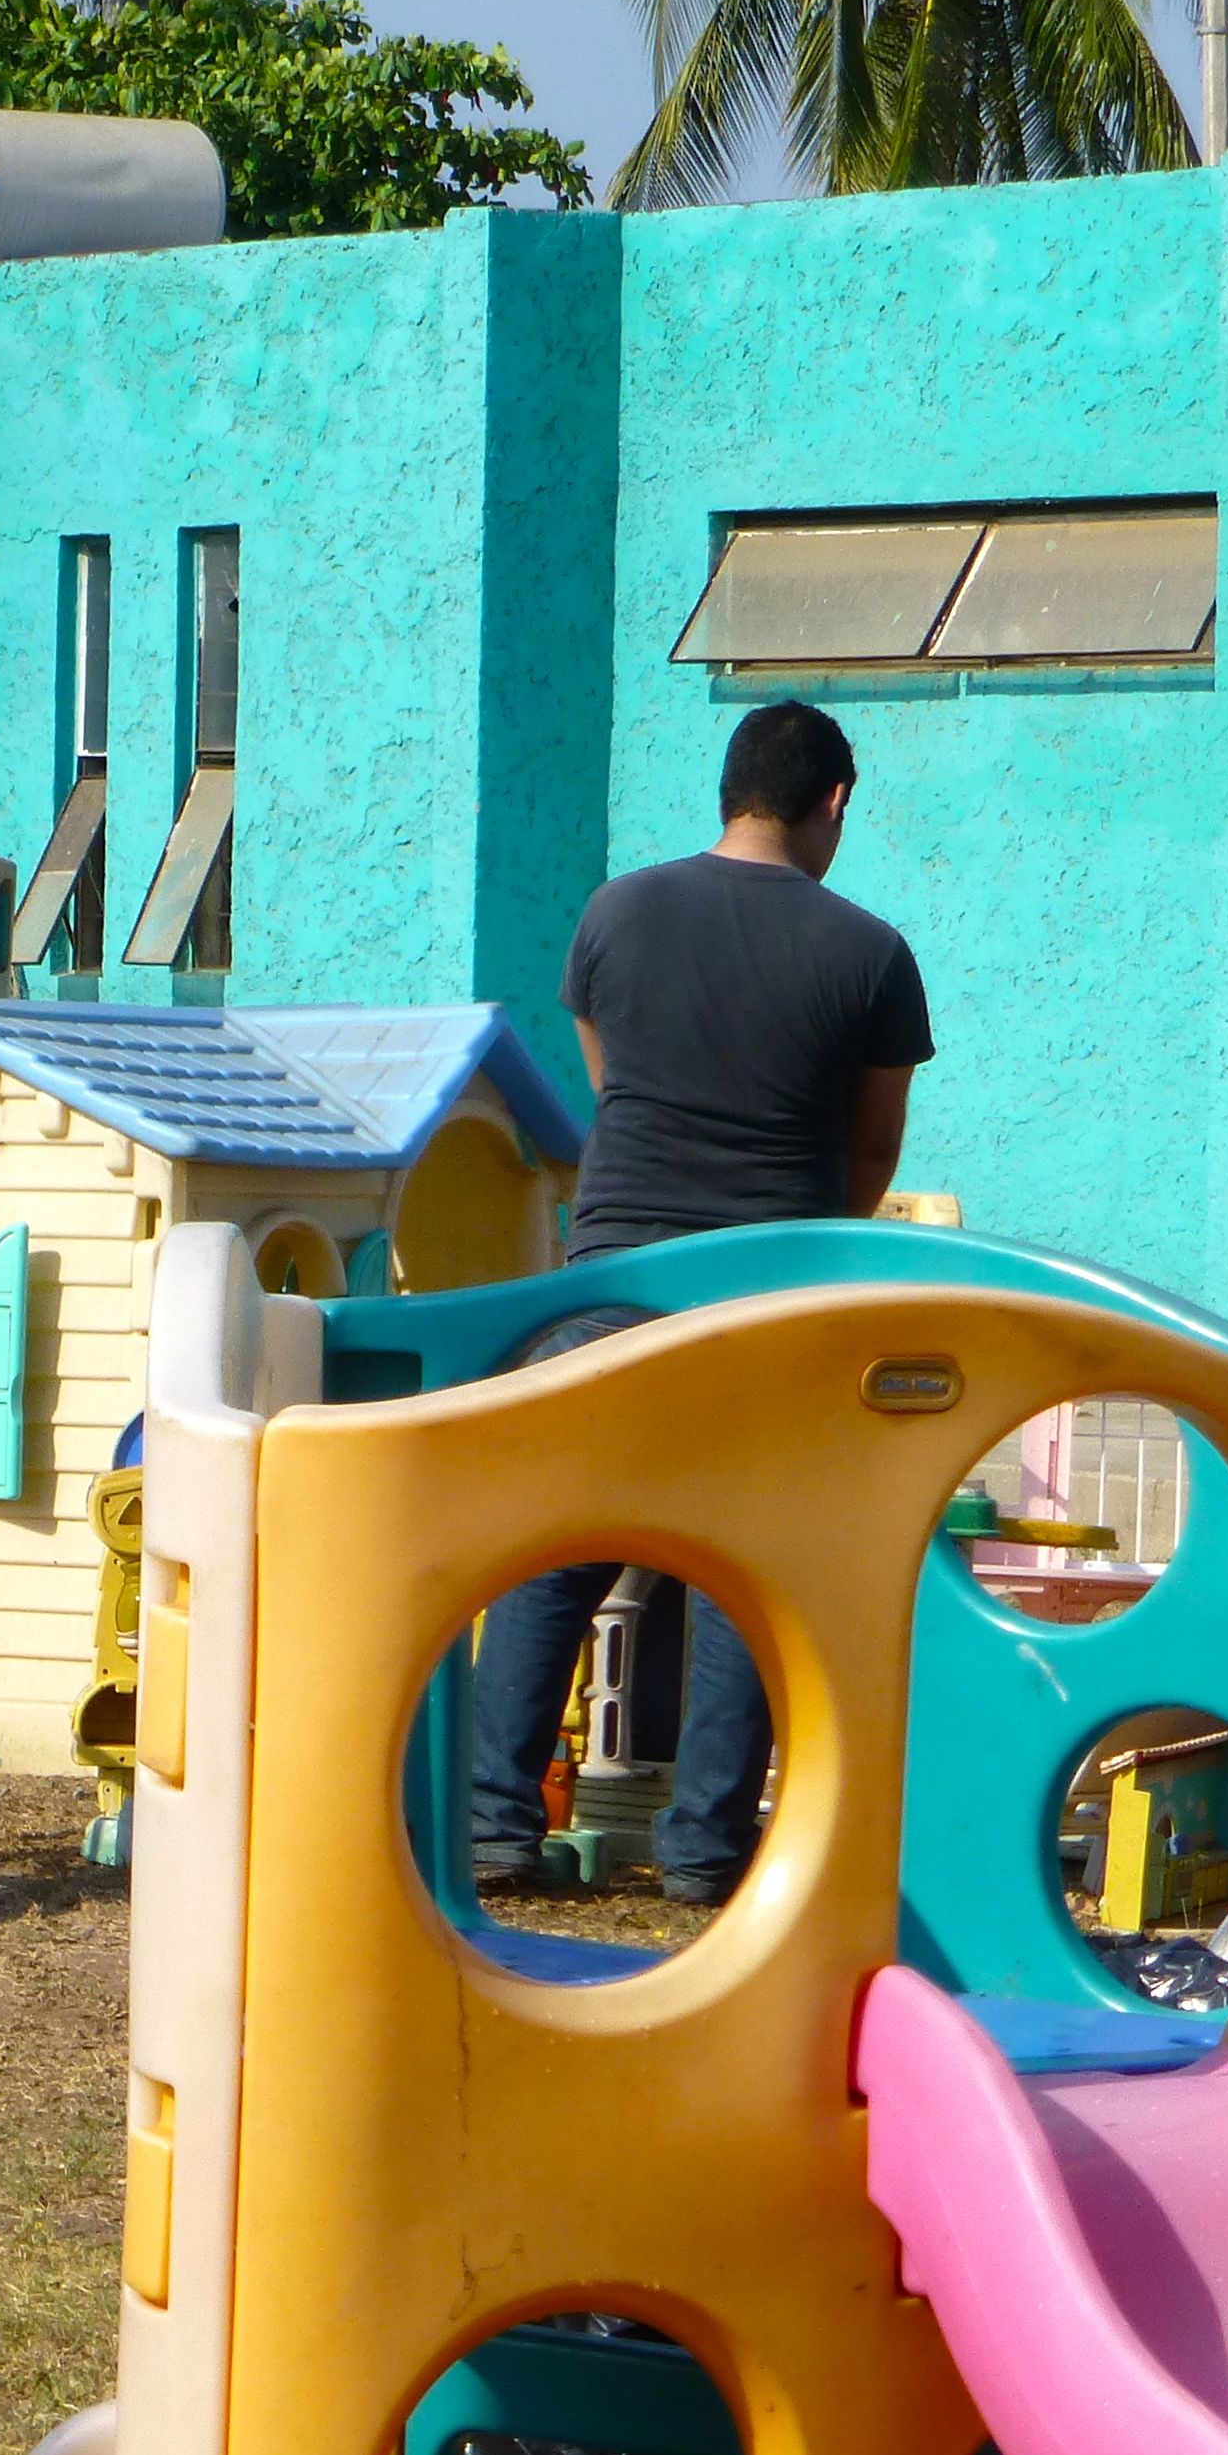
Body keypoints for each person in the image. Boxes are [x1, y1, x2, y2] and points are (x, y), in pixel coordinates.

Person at [467, 699, 934, 1908]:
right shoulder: (872, 953)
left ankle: (494, 1829)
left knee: (552, 1553)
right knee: (747, 1571)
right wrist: (801, 1234)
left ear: (729, 790)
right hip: (764, 1305)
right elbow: (873, 1149)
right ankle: (706, 1853)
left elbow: (610, 1086)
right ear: (834, 801)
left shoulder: (614, 913)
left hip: (610, 1284)